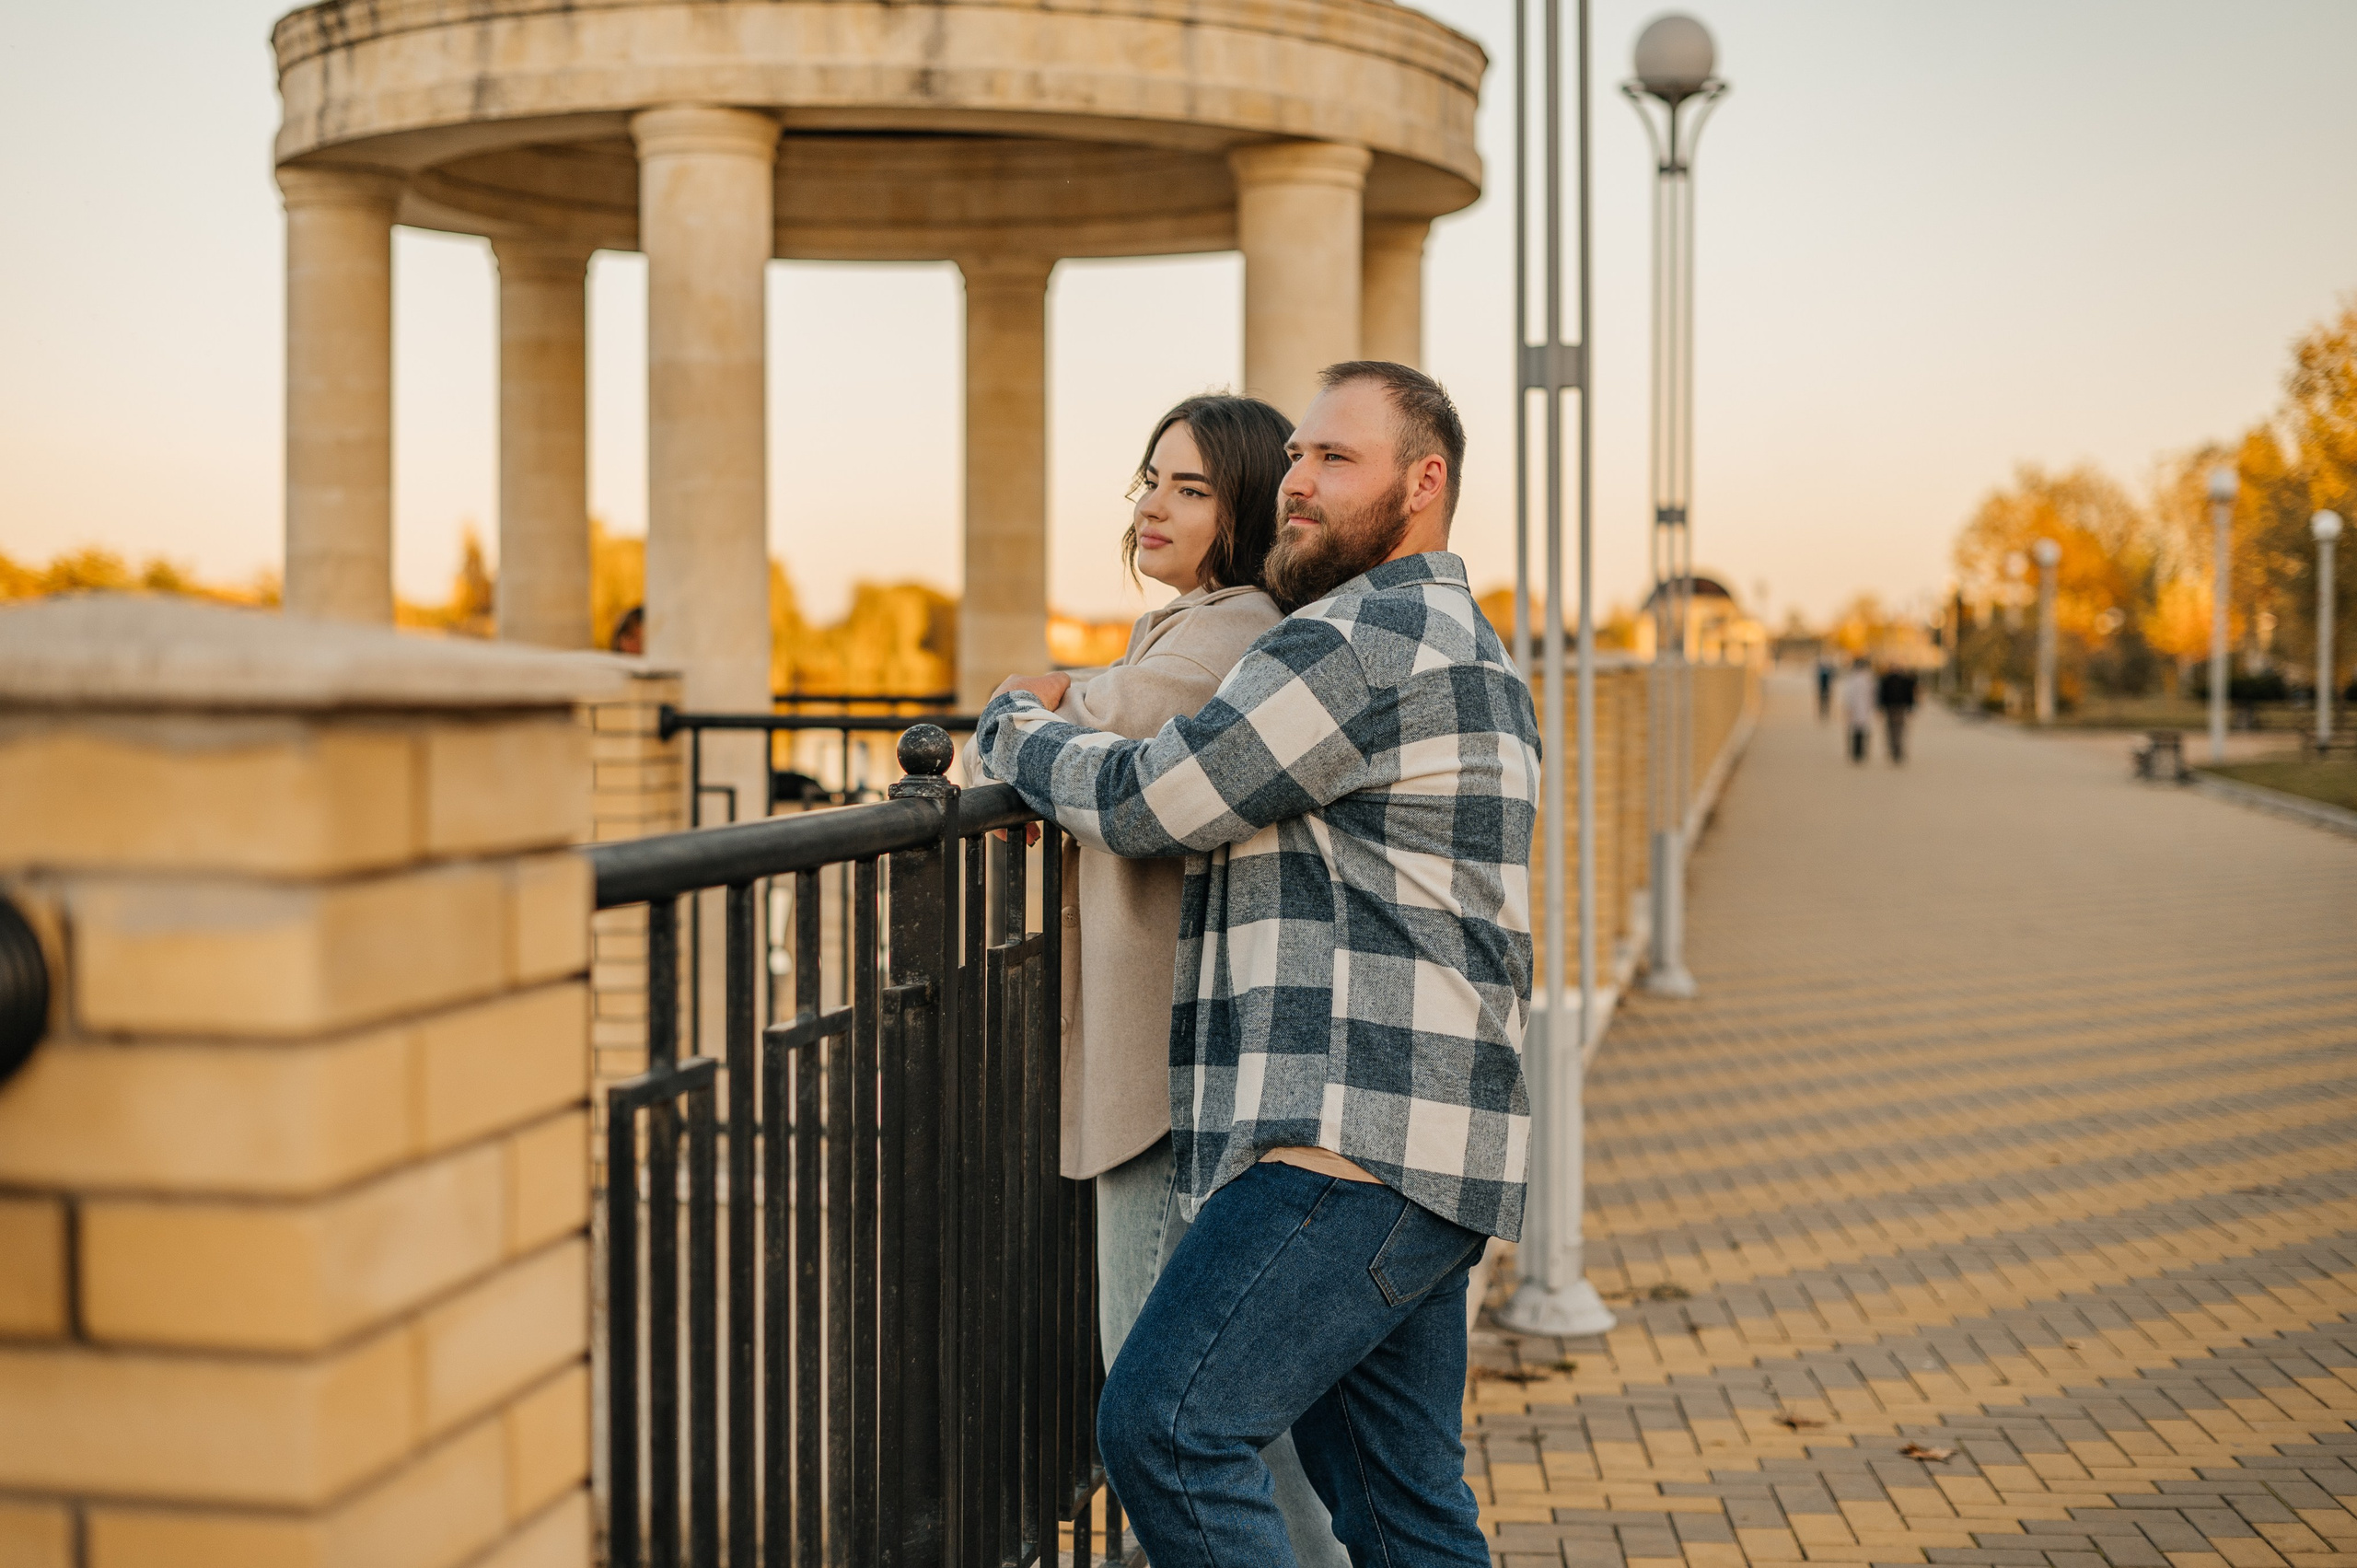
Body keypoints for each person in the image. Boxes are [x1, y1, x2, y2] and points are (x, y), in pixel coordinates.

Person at [976, 361, 1533, 1568]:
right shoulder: (1471, 643)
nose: (1299, 481)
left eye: (1337, 458)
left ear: (1423, 482)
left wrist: (1016, 732)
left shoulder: (1359, 638)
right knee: (1403, 1508)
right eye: (1295, 456)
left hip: (1352, 1142)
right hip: (1441, 1146)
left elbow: (1153, 797)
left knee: (1167, 1427)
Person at [974, 393, 1350, 1566]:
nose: (1154, 506)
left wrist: (1019, 711)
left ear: (1245, 508)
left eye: (1191, 489)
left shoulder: (1227, 633)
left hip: (1162, 1077)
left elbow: (1087, 729)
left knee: (1168, 1411)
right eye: (1151, 479)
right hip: (1175, 1063)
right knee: (1231, 1417)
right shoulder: (1194, 626)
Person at [1876, 663, 1919, 763]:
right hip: (1897, 708)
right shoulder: (1899, 680)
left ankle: (1895, 749)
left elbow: (1881, 695)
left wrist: (1880, 707)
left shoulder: (1887, 680)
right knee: (1898, 729)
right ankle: (1896, 749)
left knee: (1893, 729)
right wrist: (1911, 708)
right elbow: (1910, 695)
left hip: (1894, 708)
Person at [1839, 656, 1875, 763]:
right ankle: (1857, 753)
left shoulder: (1865, 679)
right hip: (1857, 708)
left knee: (1860, 731)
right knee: (1857, 731)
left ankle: (1859, 752)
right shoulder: (1858, 679)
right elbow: (1849, 695)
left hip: (1862, 708)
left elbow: (1872, 695)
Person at [1816, 655, 1835, 721]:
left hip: (1826, 689)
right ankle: (1823, 713)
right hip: (1823, 689)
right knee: (1823, 702)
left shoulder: (1825, 672)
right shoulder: (1822, 672)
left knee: (1825, 702)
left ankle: (1825, 713)